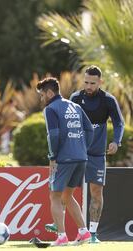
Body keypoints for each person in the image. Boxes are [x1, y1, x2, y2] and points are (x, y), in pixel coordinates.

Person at [45, 66, 125, 243]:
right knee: (65, 191)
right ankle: (60, 225)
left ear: (100, 82)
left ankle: (93, 233)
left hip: (96, 154)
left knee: (96, 192)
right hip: (77, 154)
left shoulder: (108, 100)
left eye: (93, 83)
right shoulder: (75, 98)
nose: (89, 86)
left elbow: (119, 123)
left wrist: (115, 141)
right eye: (86, 82)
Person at [37, 77, 94, 246]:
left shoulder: (50, 108)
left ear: (49, 92)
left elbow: (53, 135)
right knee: (68, 196)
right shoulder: (75, 106)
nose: (41, 99)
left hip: (64, 159)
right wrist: (82, 147)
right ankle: (84, 233)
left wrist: (52, 157)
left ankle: (61, 237)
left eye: (42, 95)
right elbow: (89, 129)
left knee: (54, 196)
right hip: (81, 157)